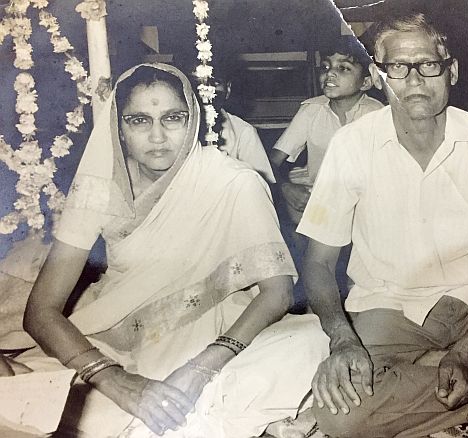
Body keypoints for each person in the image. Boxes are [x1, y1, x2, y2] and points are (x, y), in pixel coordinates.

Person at [21, 63, 327, 438]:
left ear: (194, 119)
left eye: (172, 118)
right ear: (118, 128)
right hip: (116, 341)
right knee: (31, 394)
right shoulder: (99, 189)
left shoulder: (233, 182)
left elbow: (277, 292)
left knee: (314, 338)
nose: (158, 136)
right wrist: (114, 381)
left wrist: (200, 369)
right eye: (138, 121)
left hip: (213, 338)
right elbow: (40, 312)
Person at [297, 13, 468, 438]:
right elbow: (319, 263)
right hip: (388, 312)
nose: (414, 80)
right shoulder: (351, 146)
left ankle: (435, 374)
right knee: (341, 416)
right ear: (379, 77)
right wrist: (342, 339)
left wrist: (465, 351)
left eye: (427, 65)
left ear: (450, 69)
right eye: (398, 67)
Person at [270, 36, 384, 225]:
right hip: (319, 198)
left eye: (343, 68)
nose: (329, 73)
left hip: (363, 199)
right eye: (325, 67)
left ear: (365, 82)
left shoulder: (376, 115)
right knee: (294, 212)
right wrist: (285, 188)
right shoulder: (311, 110)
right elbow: (271, 161)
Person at [213, 76, 276, 184]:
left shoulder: (244, 131)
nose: (205, 89)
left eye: (215, 83)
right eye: (195, 82)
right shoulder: (176, 129)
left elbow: (261, 186)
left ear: (228, 89)